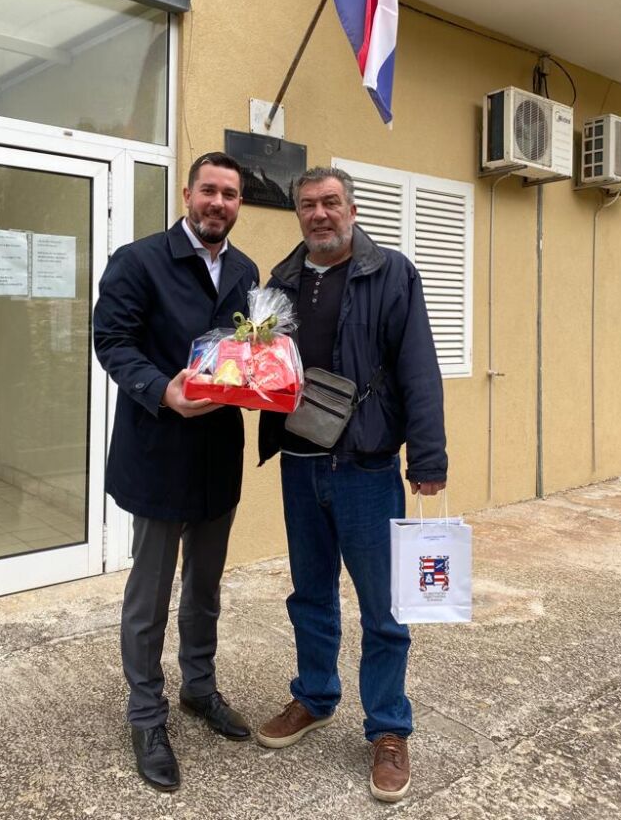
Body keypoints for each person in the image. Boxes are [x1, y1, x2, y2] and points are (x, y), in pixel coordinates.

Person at [256, 166, 447, 803]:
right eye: (308, 205)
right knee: (310, 594)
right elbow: (266, 367)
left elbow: (419, 367)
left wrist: (428, 457)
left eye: (331, 202)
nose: (320, 214)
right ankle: (314, 697)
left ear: (352, 209)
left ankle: (389, 728)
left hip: (366, 467)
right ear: (299, 214)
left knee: (383, 607)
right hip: (299, 461)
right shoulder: (279, 283)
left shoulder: (391, 273)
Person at [93, 152, 259, 793]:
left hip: (218, 458)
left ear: (239, 204)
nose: (219, 203)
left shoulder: (245, 271)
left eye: (230, 194)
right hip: (158, 453)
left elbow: (249, 352)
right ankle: (146, 716)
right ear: (187, 194)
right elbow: (113, 341)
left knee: (206, 589)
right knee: (150, 596)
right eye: (209, 190)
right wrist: (163, 390)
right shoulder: (138, 262)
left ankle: (199, 688)